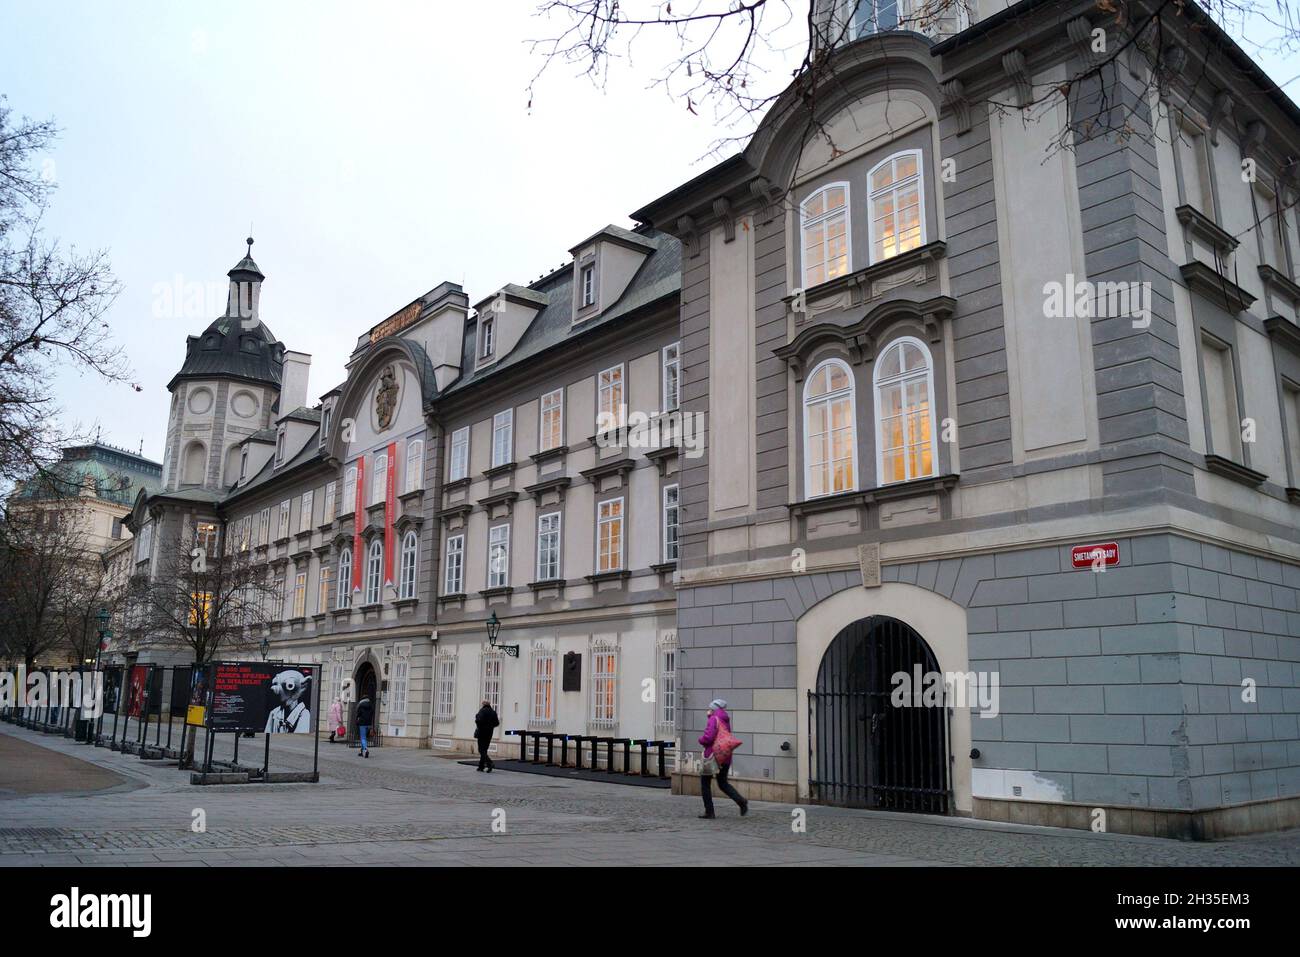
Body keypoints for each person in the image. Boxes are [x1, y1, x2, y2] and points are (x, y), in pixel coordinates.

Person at [698, 698, 748, 819]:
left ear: (714, 709)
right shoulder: (724, 720)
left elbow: (709, 738)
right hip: (725, 756)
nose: (708, 710)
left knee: (705, 782)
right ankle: (741, 801)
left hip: (713, 756)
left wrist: (700, 740)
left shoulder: (713, 719)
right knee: (722, 782)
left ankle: (709, 812)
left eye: (710, 708)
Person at [474, 699, 499, 772]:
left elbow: (478, 720)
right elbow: (497, 723)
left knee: (481, 750)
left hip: (482, 733)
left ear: (484, 704)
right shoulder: (493, 712)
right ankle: (481, 766)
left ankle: (489, 763)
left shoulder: (482, 711)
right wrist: (490, 726)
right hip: (489, 733)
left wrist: (481, 725)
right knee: (484, 750)